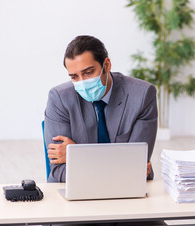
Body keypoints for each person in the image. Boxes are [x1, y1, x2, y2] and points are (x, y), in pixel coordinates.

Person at [44, 35, 158, 183]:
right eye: (74, 77)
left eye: (89, 72)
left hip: (127, 191)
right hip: (73, 193)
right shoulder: (59, 98)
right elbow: (60, 171)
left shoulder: (142, 95)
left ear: (107, 65)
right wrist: (124, 166)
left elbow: (137, 165)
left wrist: (79, 156)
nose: (83, 83)